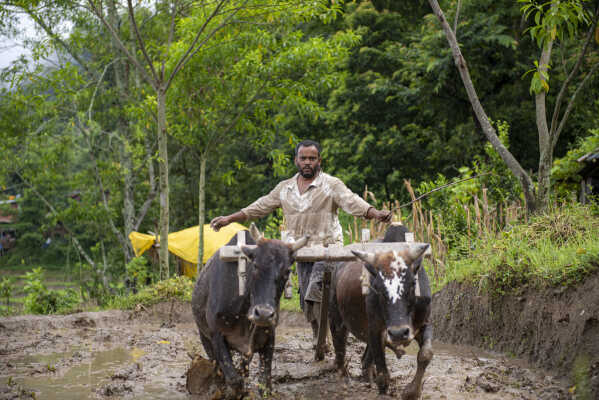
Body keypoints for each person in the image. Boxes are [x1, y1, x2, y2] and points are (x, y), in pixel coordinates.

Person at [210, 139, 391, 343]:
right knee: (306, 299)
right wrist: (229, 219)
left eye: (312, 158)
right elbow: (260, 206)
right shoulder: (285, 188)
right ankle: (318, 334)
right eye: (303, 158)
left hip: (328, 249)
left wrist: (375, 213)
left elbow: (352, 201)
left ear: (319, 161)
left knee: (317, 287)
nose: (307, 162)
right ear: (296, 160)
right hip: (299, 251)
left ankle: (335, 329)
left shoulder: (331, 185)